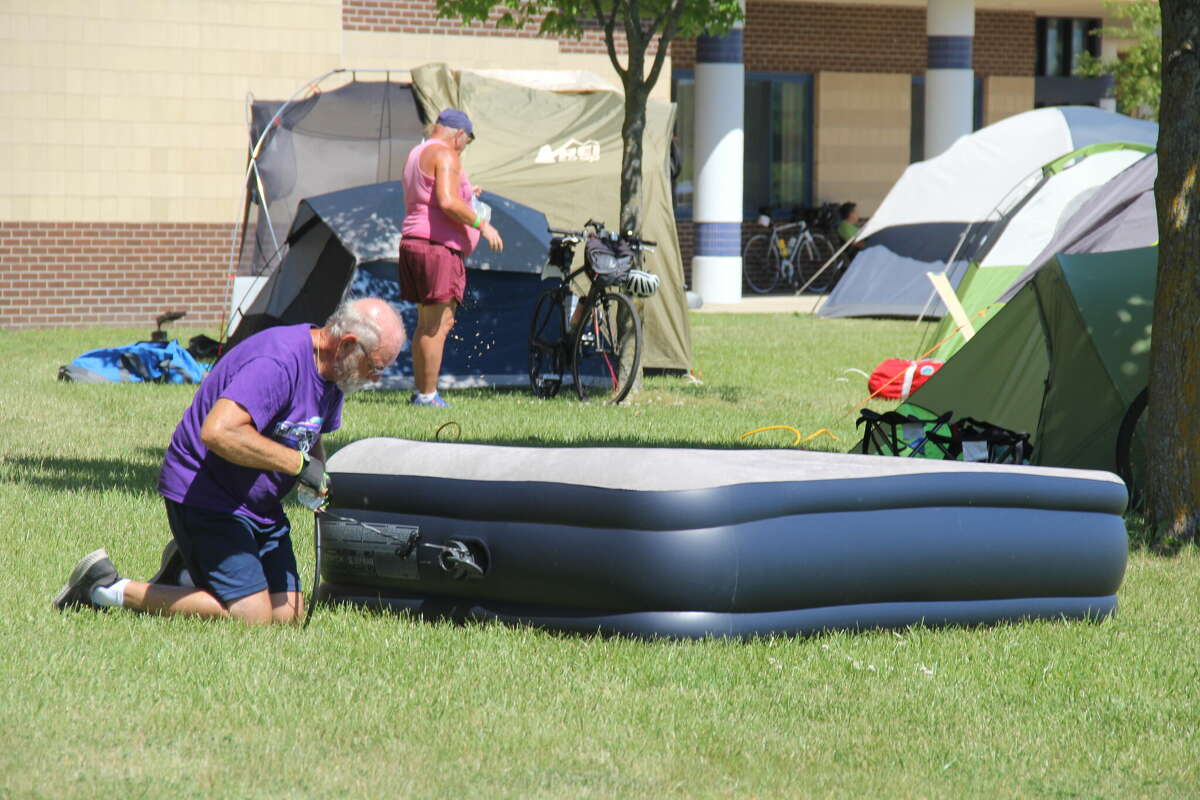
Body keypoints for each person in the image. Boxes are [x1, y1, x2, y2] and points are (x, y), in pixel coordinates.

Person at [52, 297, 406, 625]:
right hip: (207, 498)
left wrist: (315, 475)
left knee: (288, 615)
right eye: (375, 366)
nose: (375, 377)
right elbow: (218, 432)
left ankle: (185, 574)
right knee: (252, 618)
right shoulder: (278, 363)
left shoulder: (334, 373)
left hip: (259, 506)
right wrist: (297, 465)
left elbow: (311, 433)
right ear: (345, 344)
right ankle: (102, 589)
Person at [399, 108, 504, 408]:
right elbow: (446, 201)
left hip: (415, 243)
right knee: (438, 325)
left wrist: (468, 194)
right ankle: (428, 396)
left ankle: (422, 391)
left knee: (426, 323)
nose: (463, 149)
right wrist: (481, 224)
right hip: (437, 248)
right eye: (466, 143)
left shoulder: (417, 153)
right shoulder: (446, 155)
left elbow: (431, 195)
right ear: (459, 134)